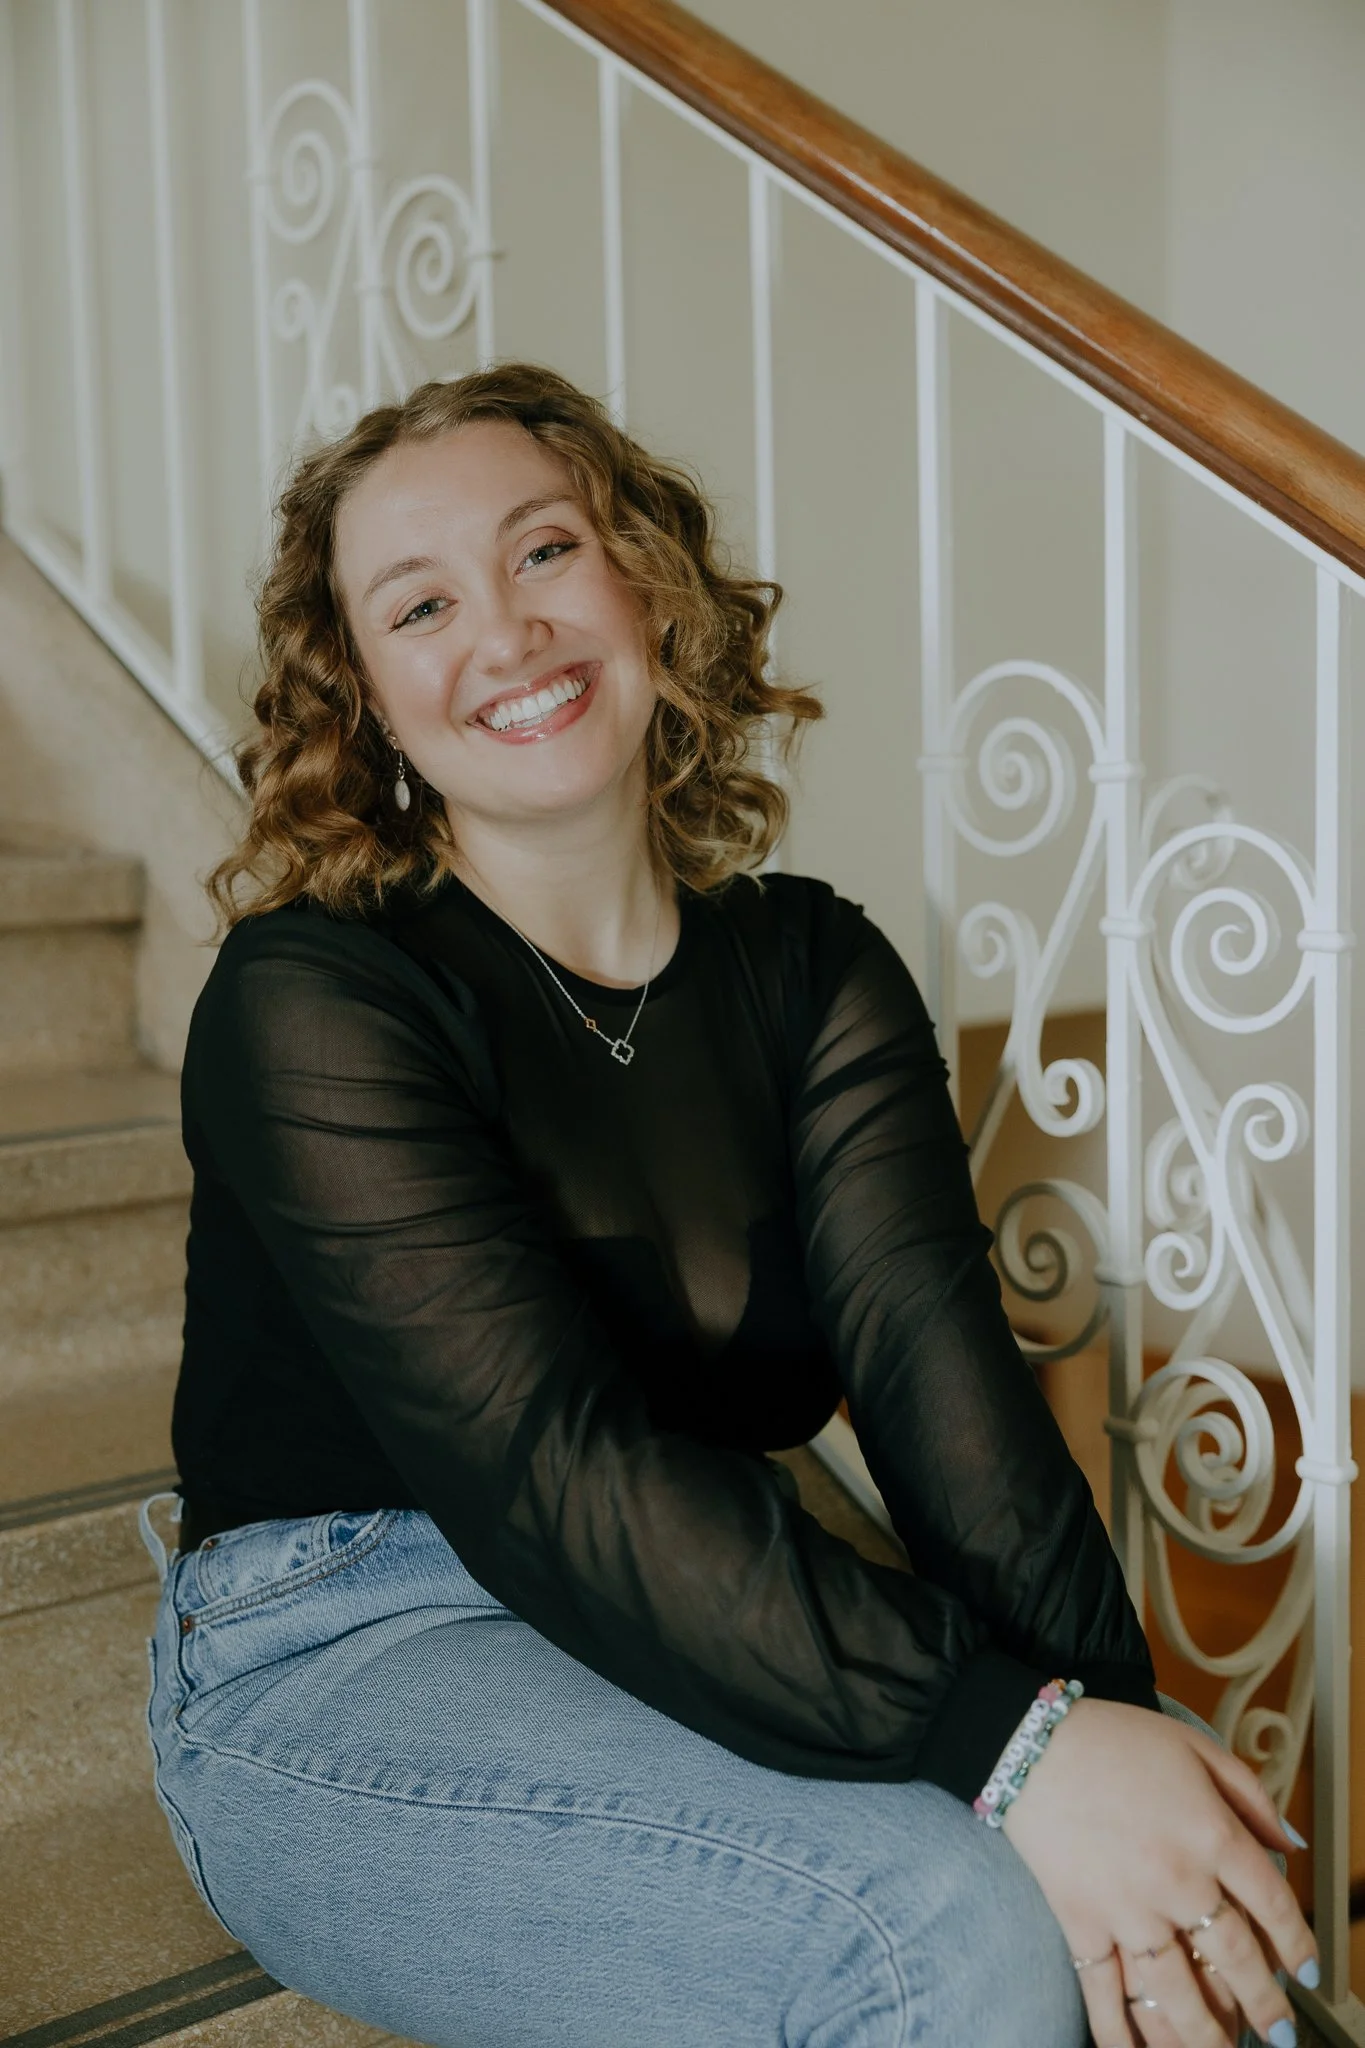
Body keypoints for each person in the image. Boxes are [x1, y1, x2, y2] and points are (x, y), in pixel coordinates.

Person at [142, 363, 1316, 2048]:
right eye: (420, 605)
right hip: (342, 1650)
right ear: (370, 706)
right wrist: (1021, 1751)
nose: (507, 631)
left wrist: (1113, 1770)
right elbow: (552, 1478)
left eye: (544, 552)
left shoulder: (808, 969)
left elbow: (955, 1418)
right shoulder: (312, 999)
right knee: (942, 1932)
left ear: (645, 583)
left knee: (1172, 1930)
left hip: (709, 1599)